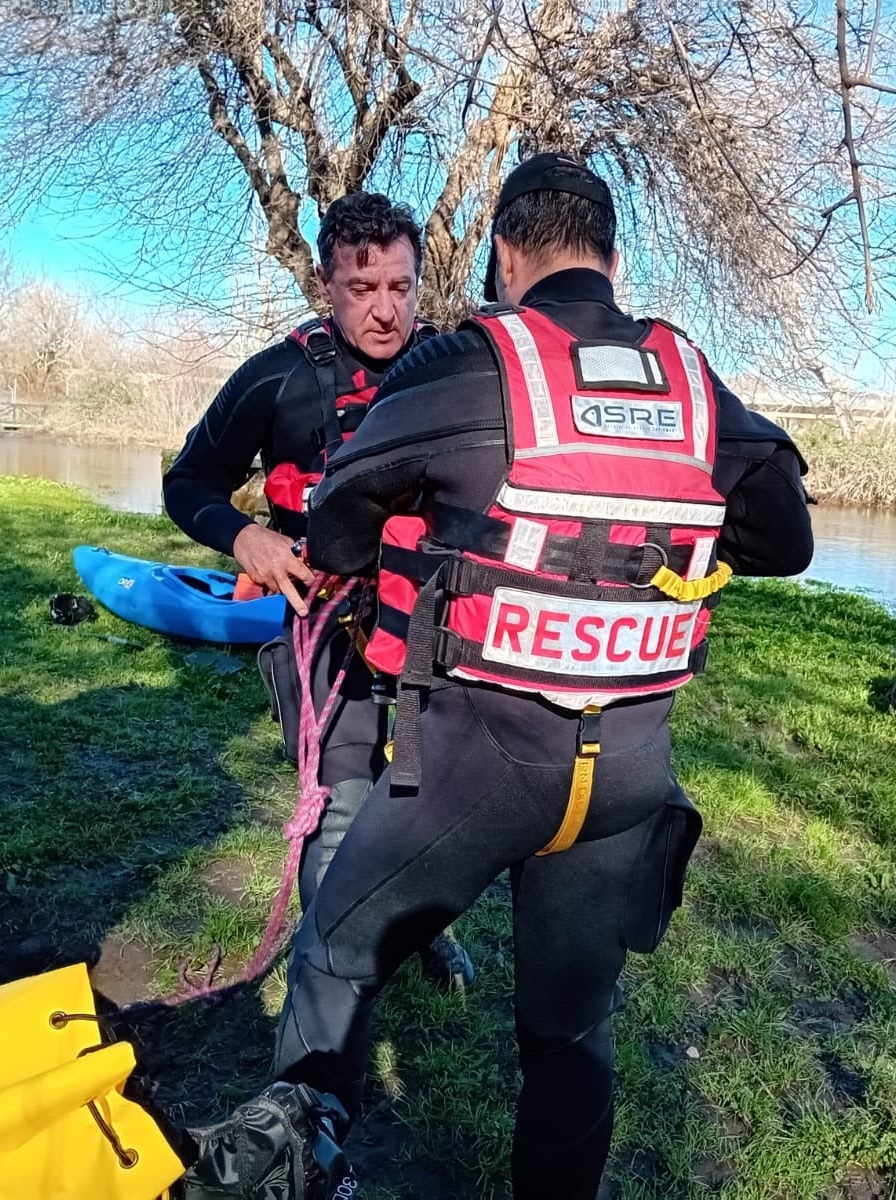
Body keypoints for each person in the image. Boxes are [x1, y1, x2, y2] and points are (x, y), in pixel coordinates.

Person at [268, 154, 815, 1199]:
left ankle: (299, 1172)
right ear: (612, 259)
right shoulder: (695, 381)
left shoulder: (471, 361)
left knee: (338, 952)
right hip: (626, 782)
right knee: (569, 1031)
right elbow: (781, 538)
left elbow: (336, 526)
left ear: (506, 258)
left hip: (476, 767)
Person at [163, 192, 472, 988]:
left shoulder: (457, 372)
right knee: (342, 798)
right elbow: (188, 480)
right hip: (322, 625)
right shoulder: (277, 379)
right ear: (327, 288)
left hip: (436, 622)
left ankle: (422, 931)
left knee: (433, 798)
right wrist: (244, 537)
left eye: (400, 288)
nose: (384, 311)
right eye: (362, 290)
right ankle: (328, 970)